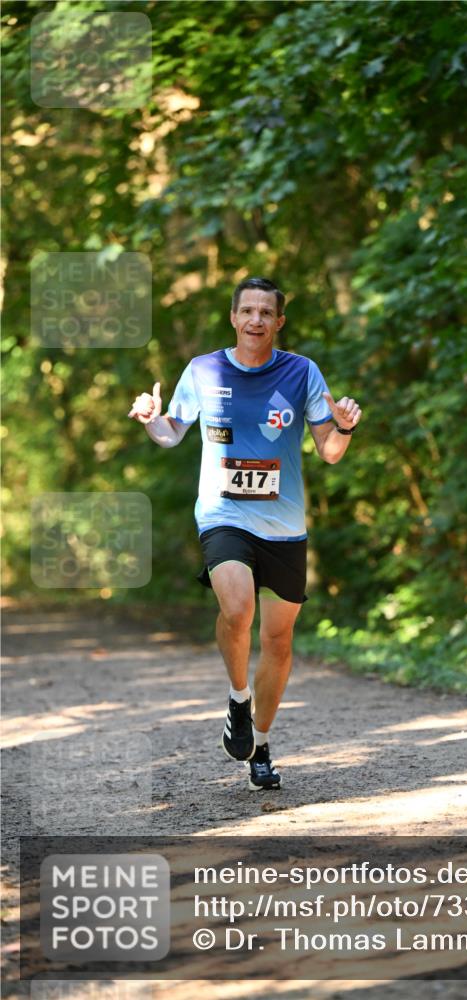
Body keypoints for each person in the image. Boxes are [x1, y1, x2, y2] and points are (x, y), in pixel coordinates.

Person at [128, 277, 361, 790]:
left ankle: (260, 743)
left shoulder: (302, 372)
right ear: (233, 318)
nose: (255, 320)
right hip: (223, 515)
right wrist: (150, 419)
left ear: (279, 322)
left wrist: (342, 426)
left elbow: (329, 451)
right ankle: (238, 698)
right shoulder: (204, 370)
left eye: (265, 312)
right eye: (247, 311)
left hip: (284, 525)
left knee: (278, 640)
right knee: (237, 610)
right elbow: (171, 433)